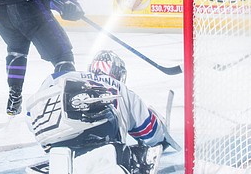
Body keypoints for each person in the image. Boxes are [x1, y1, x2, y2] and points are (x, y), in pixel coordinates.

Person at [26, 50, 180, 173]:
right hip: (104, 149)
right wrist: (161, 135)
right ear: (119, 73)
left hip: (54, 142)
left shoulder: (61, 76)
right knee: (138, 155)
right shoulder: (123, 89)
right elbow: (150, 133)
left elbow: (33, 112)